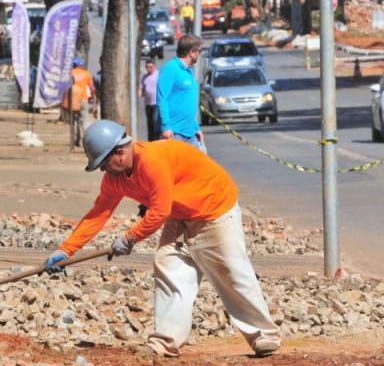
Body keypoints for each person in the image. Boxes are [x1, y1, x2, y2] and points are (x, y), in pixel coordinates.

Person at [45, 120, 282, 358]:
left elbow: (159, 212)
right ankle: (165, 342)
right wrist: (66, 250)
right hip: (179, 213)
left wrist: (129, 238)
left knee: (232, 272)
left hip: (214, 208)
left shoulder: (153, 162)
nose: (103, 171)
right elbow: (98, 214)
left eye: (104, 164)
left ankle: (265, 335)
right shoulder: (114, 178)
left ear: (120, 152)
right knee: (169, 267)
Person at [157, 34, 205, 153]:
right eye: (200, 51)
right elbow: (162, 98)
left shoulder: (189, 70)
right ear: (192, 52)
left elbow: (188, 102)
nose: (200, 54)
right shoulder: (170, 68)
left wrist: (196, 128)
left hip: (190, 133)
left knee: (195, 169)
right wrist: (166, 127)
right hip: (175, 133)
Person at [61, 58, 97, 146]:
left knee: (74, 121)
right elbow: (92, 88)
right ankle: (85, 141)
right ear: (81, 65)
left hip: (72, 100)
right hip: (83, 99)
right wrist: (95, 99)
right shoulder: (86, 74)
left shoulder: (70, 73)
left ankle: (75, 140)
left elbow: (64, 88)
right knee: (84, 120)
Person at [139, 60, 161, 141]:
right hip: (148, 103)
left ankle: (157, 138)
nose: (148, 69)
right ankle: (151, 140)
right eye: (147, 67)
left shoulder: (158, 75)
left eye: (150, 67)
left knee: (155, 120)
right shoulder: (145, 77)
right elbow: (141, 89)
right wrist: (139, 93)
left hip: (157, 103)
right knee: (150, 122)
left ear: (154, 67)